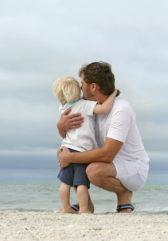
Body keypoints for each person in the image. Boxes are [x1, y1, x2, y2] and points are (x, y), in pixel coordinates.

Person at [57, 62, 149, 213]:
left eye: (82, 83)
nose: (80, 88)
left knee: (92, 170)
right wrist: (61, 126)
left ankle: (124, 197)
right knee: (64, 151)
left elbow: (107, 154)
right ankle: (86, 204)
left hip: (132, 167)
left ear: (93, 87)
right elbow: (70, 137)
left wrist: (69, 158)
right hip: (106, 161)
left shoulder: (120, 109)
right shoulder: (87, 105)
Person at [52, 76, 118, 214]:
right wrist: (113, 94)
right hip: (81, 151)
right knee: (81, 184)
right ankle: (84, 209)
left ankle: (66, 208)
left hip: (66, 148)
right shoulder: (84, 105)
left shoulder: (63, 108)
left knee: (65, 183)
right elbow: (104, 109)